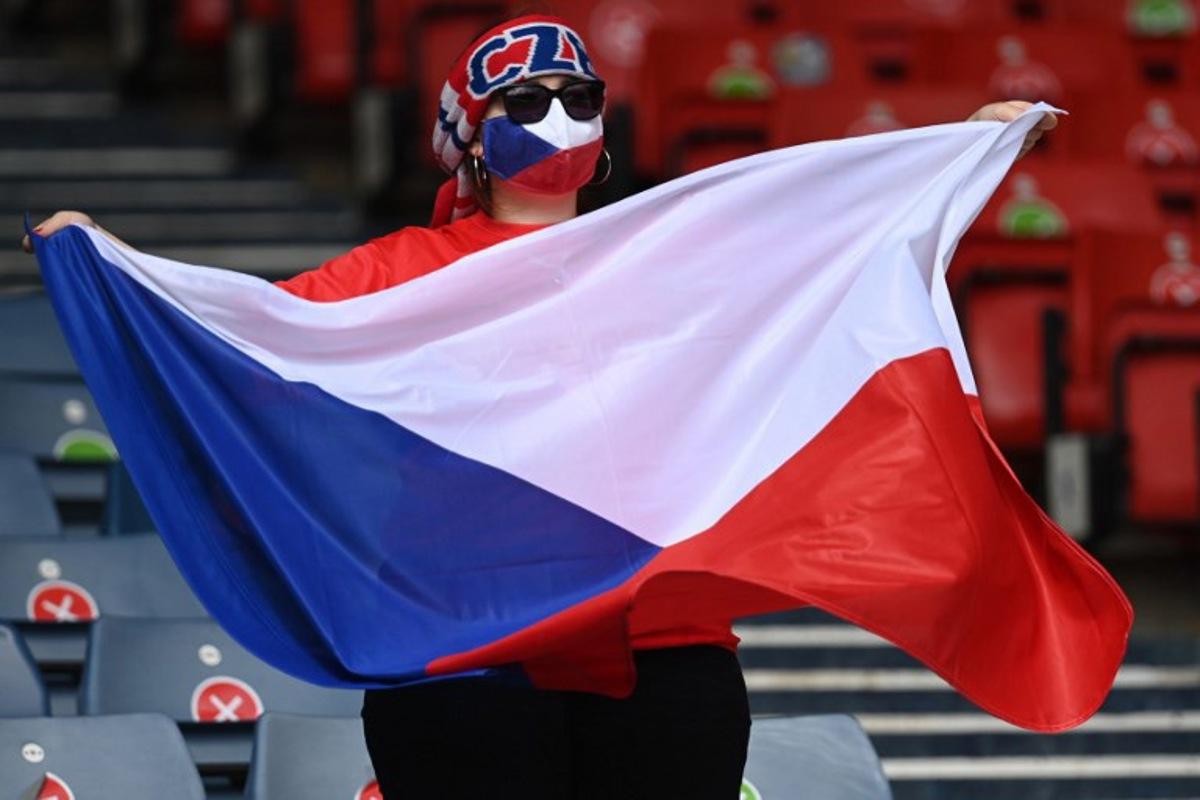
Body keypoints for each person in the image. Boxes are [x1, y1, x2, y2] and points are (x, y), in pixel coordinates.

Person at [22, 14, 1057, 798]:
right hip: (464, 647)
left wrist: (947, 161)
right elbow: (249, 347)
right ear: (468, 136)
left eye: (577, 93)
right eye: (523, 100)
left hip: (661, 642)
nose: (556, 115)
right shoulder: (398, 271)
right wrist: (110, 271)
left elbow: (820, 263)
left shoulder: (668, 252)